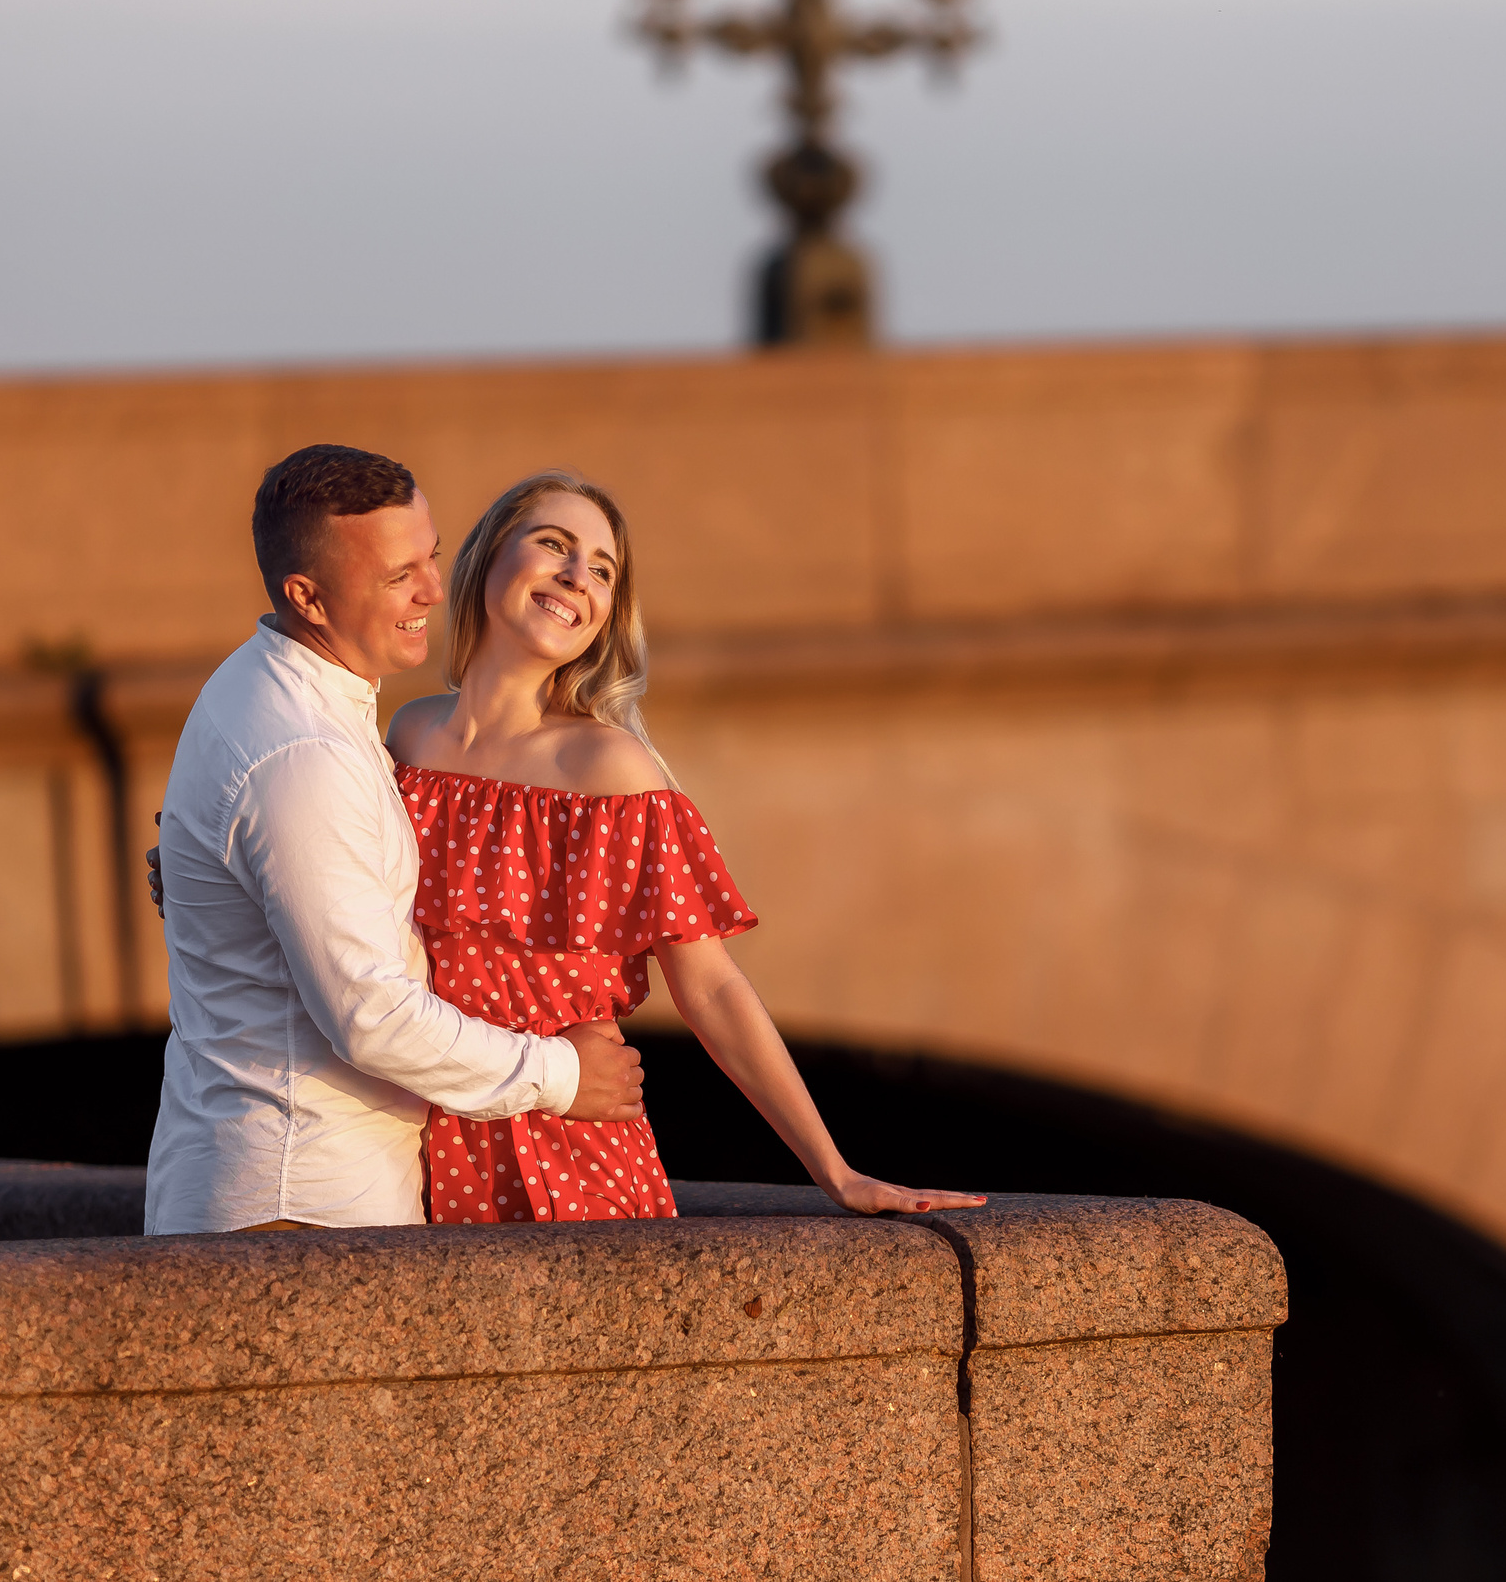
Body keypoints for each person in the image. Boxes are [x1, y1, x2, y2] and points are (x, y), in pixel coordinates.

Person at [384, 470, 983, 1221]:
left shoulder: (608, 771)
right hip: (410, 1138)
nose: (578, 575)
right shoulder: (409, 736)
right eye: (554, 544)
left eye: (602, 569)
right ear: (486, 559)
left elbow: (710, 987)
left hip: (563, 1151)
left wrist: (836, 1171)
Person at [143, 446, 645, 1234]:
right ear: (306, 595)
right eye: (396, 575)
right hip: (297, 1208)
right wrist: (562, 1073)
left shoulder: (283, 693)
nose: (432, 591)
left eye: (432, 555)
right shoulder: (304, 752)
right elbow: (369, 1014)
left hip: (283, 1188)